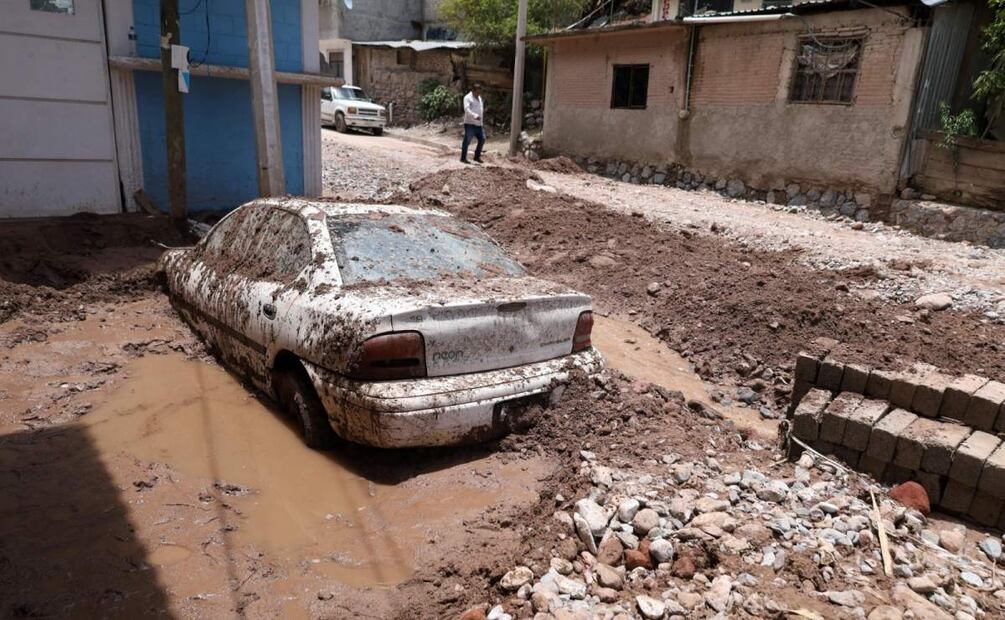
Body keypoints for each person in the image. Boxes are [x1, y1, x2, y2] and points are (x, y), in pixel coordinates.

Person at [461, 83, 485, 164]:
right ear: (473, 91)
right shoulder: (467, 98)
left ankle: (476, 157)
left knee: (482, 139)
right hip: (470, 123)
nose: (479, 94)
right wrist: (474, 115)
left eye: (479, 92)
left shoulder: (479, 97)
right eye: (477, 92)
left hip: (479, 124)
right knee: (467, 141)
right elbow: (466, 109)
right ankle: (463, 158)